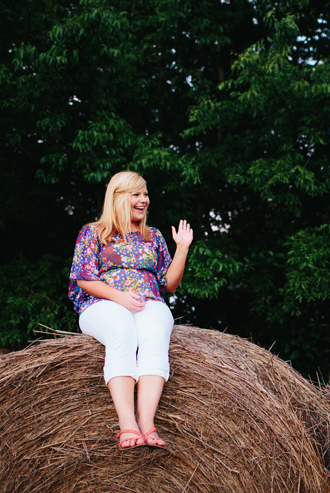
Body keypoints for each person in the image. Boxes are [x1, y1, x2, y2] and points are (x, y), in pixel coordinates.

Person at [68, 171, 193, 449]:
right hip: (102, 304)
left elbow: (169, 284)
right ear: (118, 197)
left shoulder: (154, 237)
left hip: (149, 302)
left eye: (145, 194)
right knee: (122, 333)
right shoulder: (93, 232)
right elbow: (83, 277)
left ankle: (146, 423)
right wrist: (120, 298)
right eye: (136, 194)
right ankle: (127, 424)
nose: (143, 200)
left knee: (154, 337)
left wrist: (182, 248)